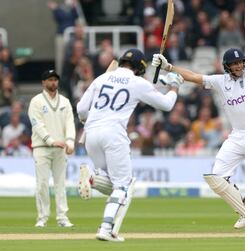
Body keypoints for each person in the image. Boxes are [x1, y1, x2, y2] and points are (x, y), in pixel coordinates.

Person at [152, 24, 245, 234]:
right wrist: (169, 67)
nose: (238, 66)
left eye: (240, 63)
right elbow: (192, 76)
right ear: (227, 66)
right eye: (233, 64)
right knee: (216, 178)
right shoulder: (220, 81)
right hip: (236, 137)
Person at [76, 48, 183, 242]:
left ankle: (93, 179)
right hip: (114, 135)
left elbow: (81, 108)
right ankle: (106, 228)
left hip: (91, 133)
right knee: (123, 185)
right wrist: (174, 87)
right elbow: (166, 105)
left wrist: (86, 121)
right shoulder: (138, 82)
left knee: (116, 186)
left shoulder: (101, 78)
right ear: (140, 68)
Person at [28, 70, 76, 228]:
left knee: (60, 184)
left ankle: (62, 217)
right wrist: (51, 141)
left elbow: (70, 124)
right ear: (43, 83)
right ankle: (42, 218)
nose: (53, 82)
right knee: (42, 183)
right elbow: (37, 125)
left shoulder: (65, 101)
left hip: (61, 148)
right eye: (50, 80)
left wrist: (70, 142)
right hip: (41, 148)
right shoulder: (36, 101)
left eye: (55, 80)